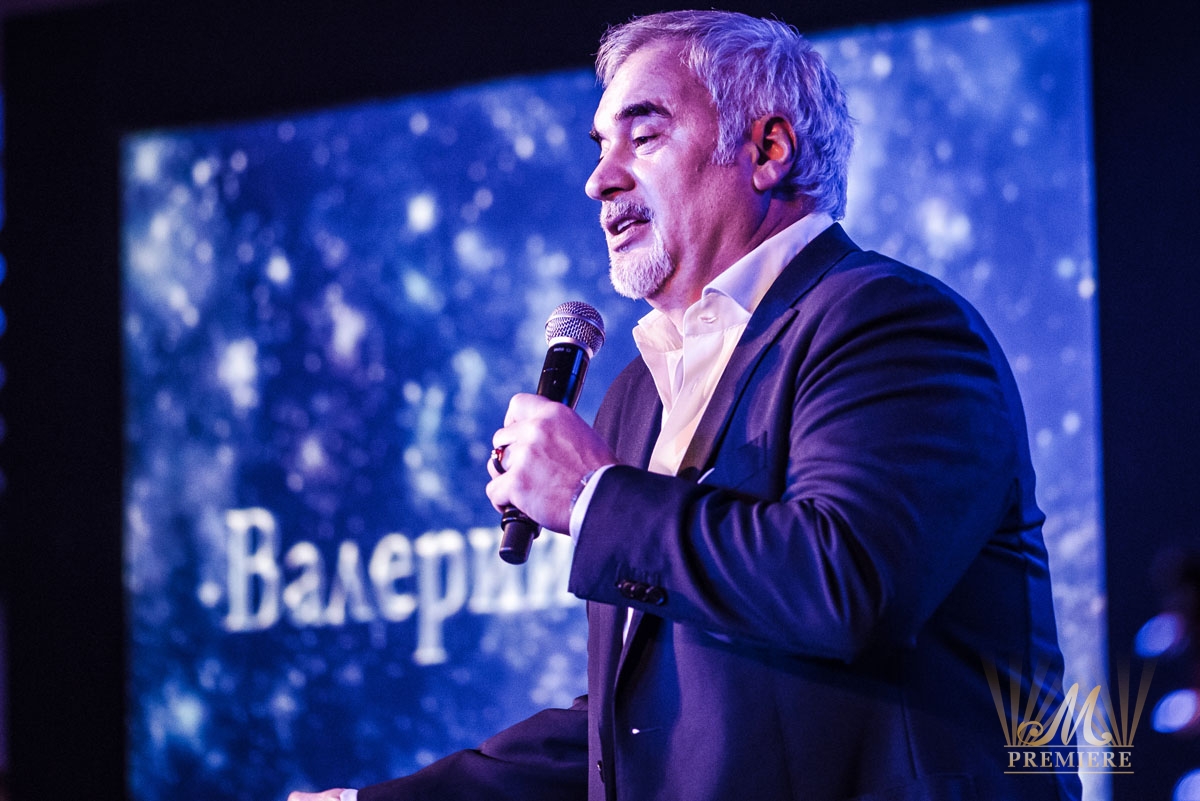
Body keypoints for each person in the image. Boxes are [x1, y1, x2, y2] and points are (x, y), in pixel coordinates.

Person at [291, 10, 1081, 801]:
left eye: (644, 136)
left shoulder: (886, 322)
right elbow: (636, 734)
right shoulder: (636, 394)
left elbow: (843, 581)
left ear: (767, 151)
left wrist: (592, 495)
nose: (600, 179)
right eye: (599, 147)